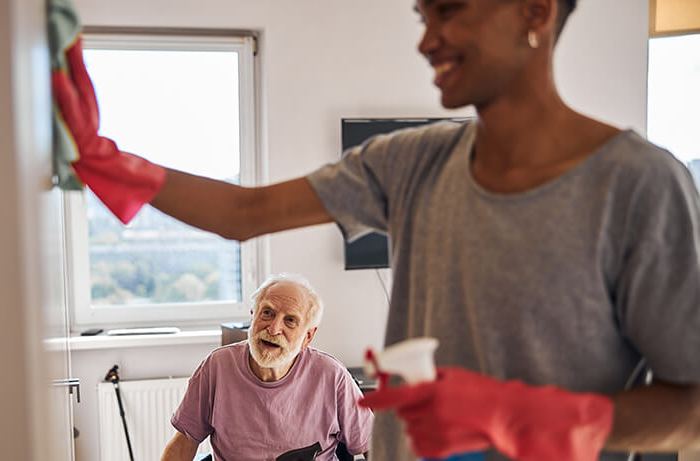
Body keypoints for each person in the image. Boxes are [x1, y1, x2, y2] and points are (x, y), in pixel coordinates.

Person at [53, 0, 700, 459]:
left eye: (449, 10)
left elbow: (691, 406)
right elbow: (244, 213)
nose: (425, 41)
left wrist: (528, 416)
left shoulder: (639, 186)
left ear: (535, 10)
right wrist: (102, 157)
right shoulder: (414, 160)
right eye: (424, 15)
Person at [160, 274, 373, 461]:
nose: (273, 328)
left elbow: (375, 448)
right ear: (253, 316)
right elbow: (183, 444)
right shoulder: (217, 367)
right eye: (267, 313)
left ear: (307, 336)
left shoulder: (332, 376)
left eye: (290, 320)